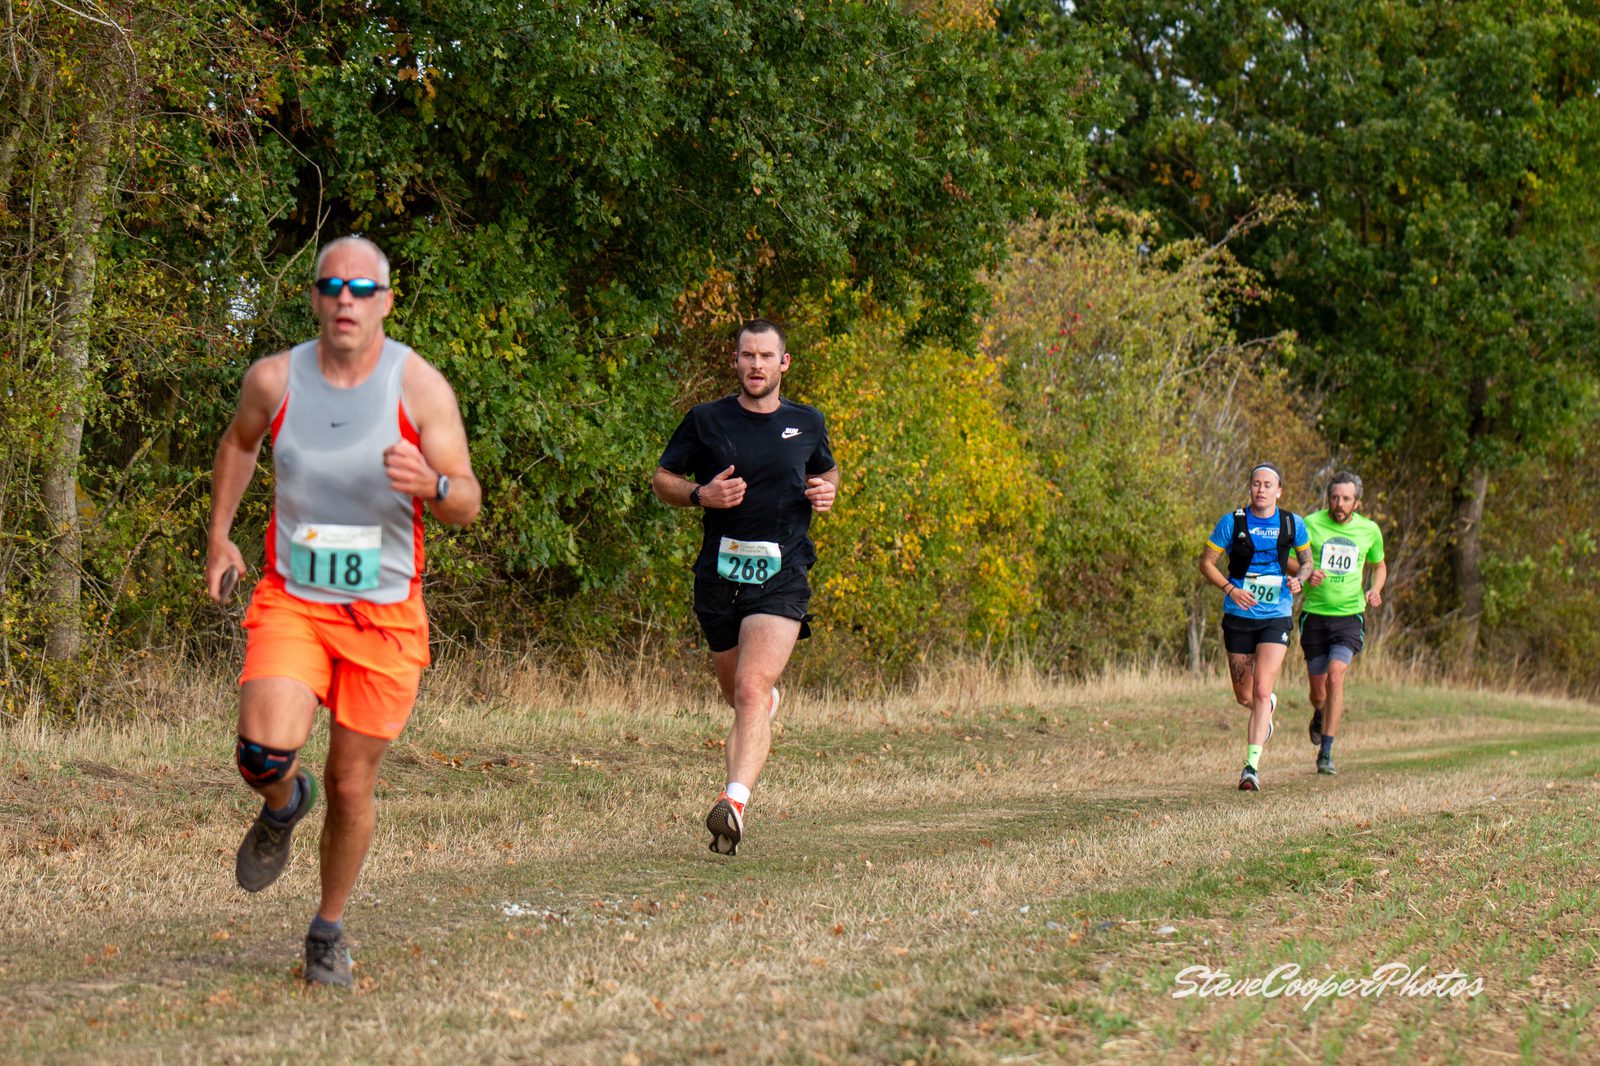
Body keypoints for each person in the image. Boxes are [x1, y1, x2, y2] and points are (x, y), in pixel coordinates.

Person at [204, 235, 480, 986]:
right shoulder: (274, 378)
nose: (347, 300)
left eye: (363, 289)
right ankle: (286, 801)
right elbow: (239, 444)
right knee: (261, 755)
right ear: (317, 298)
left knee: (353, 783)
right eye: (333, 286)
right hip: (295, 599)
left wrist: (434, 486)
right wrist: (221, 535)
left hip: (386, 617)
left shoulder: (420, 389)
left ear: (387, 301)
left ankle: (327, 928)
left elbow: (469, 499)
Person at [652, 318, 839, 855]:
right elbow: (662, 479)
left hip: (782, 573)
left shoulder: (806, 422)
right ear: (734, 362)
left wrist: (824, 493)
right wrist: (698, 495)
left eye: (765, 356)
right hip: (719, 576)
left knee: (751, 690)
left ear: (783, 364)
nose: (755, 365)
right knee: (740, 696)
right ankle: (762, 710)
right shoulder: (706, 420)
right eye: (746, 356)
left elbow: (827, 472)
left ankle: (732, 805)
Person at [1199, 462, 1311, 792]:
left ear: (1279, 491)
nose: (1260, 490)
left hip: (1276, 615)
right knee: (1244, 694)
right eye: (1255, 484)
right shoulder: (1231, 522)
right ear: (1250, 488)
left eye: (1267, 485)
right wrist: (1231, 589)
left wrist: (1300, 581)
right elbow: (1206, 563)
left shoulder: (1292, 523)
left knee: (1262, 689)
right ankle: (1268, 708)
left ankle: (1251, 767)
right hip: (1238, 613)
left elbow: (1306, 563)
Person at [1301, 471, 1387, 775]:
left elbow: (1379, 564)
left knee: (1336, 676)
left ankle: (1326, 752)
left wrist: (1375, 589)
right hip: (1315, 613)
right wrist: (1306, 571)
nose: (1339, 503)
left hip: (1350, 615)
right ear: (1328, 498)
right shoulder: (1310, 524)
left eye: (1346, 499)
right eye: (1335, 498)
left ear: (1357, 502)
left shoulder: (1369, 530)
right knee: (1318, 691)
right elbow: (1289, 558)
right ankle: (1319, 712)